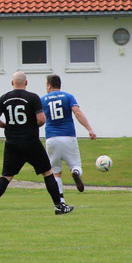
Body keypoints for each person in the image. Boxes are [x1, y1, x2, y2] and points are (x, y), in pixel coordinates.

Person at [0, 71, 74, 215]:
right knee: (48, 172)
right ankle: (59, 206)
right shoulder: (32, 97)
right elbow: (41, 119)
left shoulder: (4, 98)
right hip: (31, 142)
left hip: (12, 143)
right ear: (26, 83)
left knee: (6, 176)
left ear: (12, 83)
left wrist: (7, 126)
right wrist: (31, 126)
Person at [41, 74, 96, 203]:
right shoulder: (68, 97)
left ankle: (61, 200)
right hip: (68, 136)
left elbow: (38, 118)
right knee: (76, 165)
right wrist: (89, 129)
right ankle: (76, 172)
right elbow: (77, 113)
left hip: (51, 138)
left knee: (55, 172)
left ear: (49, 85)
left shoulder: (42, 99)